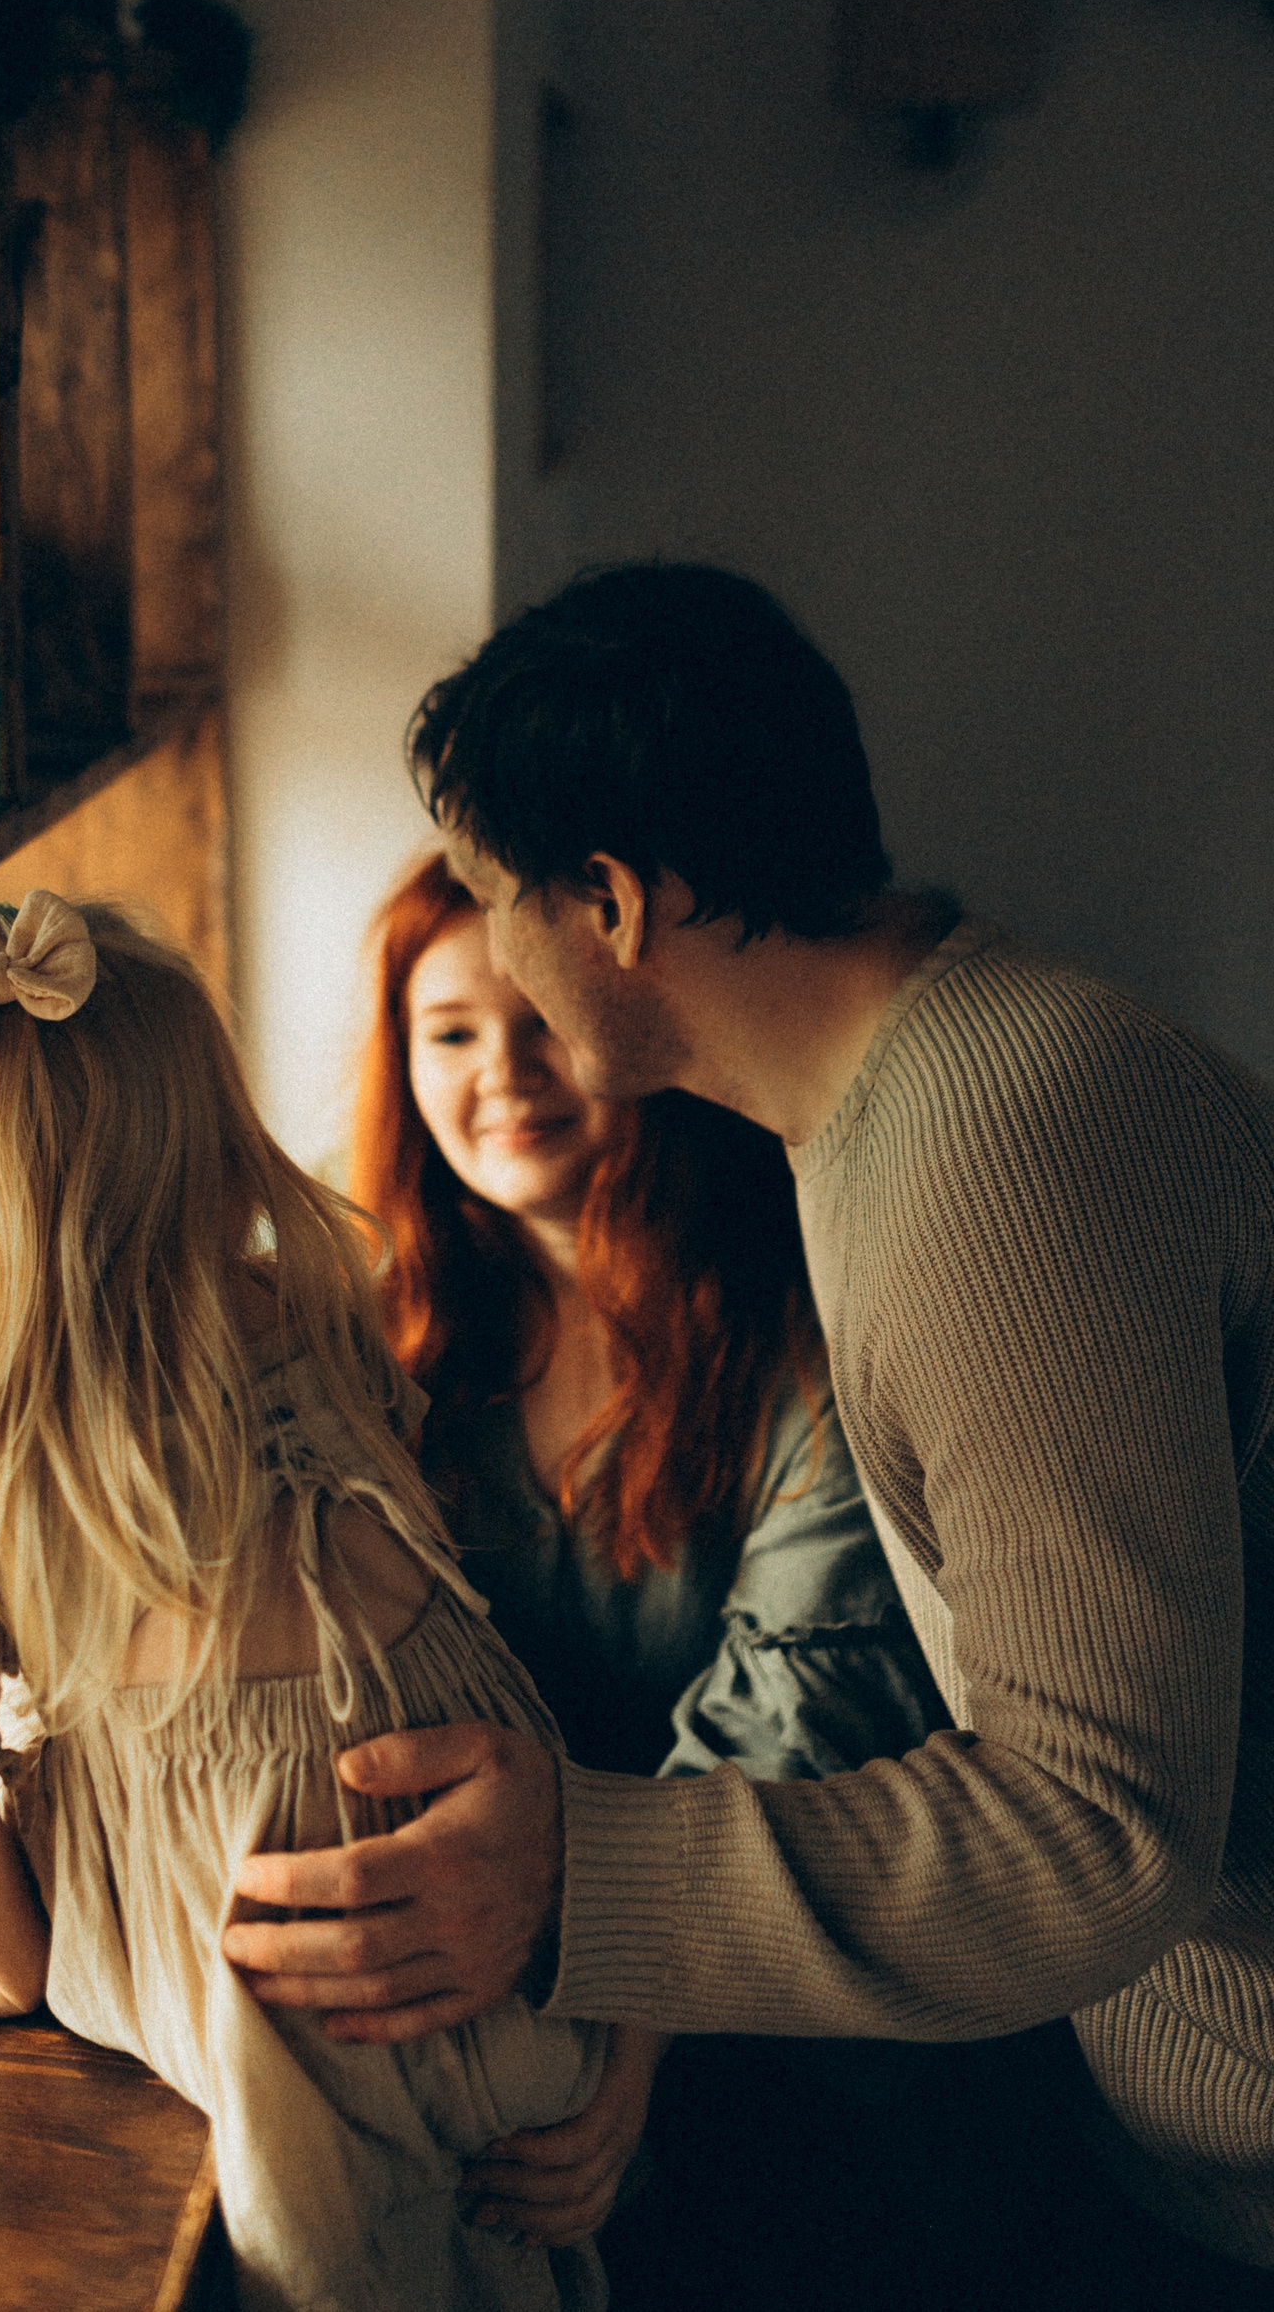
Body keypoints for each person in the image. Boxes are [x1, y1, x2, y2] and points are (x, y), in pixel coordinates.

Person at [223, 564, 1274, 2305]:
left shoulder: (1004, 1155)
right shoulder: (900, 1109)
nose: (502, 967)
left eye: (500, 901)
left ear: (612, 903)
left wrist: (578, 1869)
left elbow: (1106, 1826)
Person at [0, 888, 613, 2312]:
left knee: (341, 2257)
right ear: (214, 1141)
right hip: (498, 1846)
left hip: (283, 1919)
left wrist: (9, 1964)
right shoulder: (306, 1296)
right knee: (498, 2237)